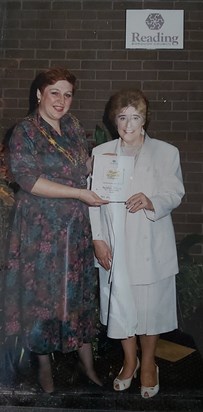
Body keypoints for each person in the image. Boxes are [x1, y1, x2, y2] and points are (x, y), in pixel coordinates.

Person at [2, 67, 107, 393]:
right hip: (40, 230)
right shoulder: (25, 131)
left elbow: (84, 164)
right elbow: (27, 179)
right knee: (43, 297)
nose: (62, 101)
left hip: (74, 227)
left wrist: (109, 163)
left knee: (76, 293)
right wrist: (77, 192)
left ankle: (86, 364)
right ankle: (44, 368)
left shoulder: (74, 127)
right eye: (55, 93)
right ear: (39, 94)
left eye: (68, 94)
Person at [89, 88, 185, 398]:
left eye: (136, 117)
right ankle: (129, 361)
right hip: (115, 243)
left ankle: (149, 364)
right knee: (121, 307)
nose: (129, 125)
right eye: (122, 117)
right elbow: (92, 201)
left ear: (145, 119)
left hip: (150, 242)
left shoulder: (166, 152)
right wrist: (98, 240)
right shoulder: (101, 153)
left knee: (150, 307)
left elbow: (174, 193)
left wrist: (151, 200)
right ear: (113, 119)